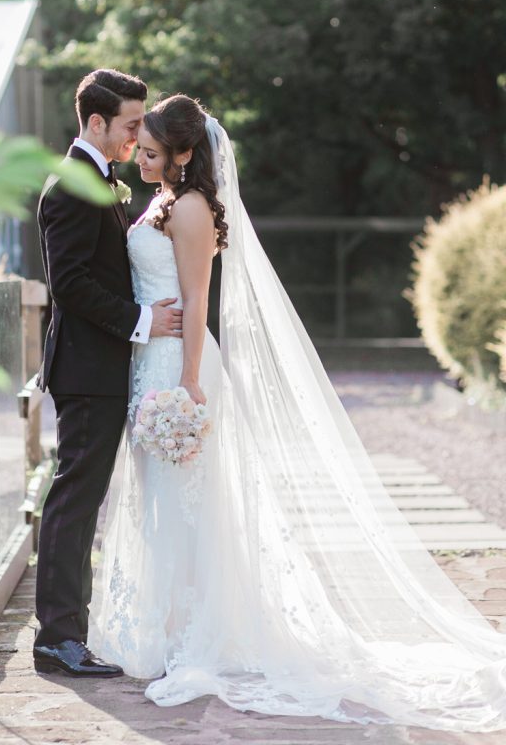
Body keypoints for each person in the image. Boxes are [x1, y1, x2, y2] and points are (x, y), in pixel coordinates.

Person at [88, 94, 506, 732]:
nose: (139, 159)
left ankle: (191, 639)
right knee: (158, 503)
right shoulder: (164, 202)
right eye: (139, 149)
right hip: (150, 366)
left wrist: (192, 382)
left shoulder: (194, 207)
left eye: (150, 151)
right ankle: (163, 630)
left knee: (186, 505)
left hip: (178, 370)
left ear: (182, 154)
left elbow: (197, 299)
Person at [33, 68, 183, 677]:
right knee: (76, 498)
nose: (135, 134)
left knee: (82, 496)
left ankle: (65, 629)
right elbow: (68, 284)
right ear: (95, 122)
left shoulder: (102, 180)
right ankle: (57, 638)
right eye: (128, 125)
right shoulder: (70, 186)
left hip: (103, 366)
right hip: (87, 369)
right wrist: (142, 320)